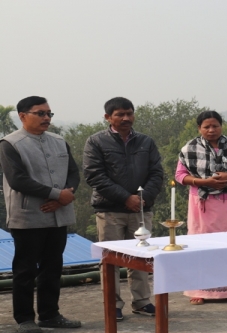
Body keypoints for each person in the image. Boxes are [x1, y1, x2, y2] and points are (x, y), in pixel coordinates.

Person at [0, 96, 81, 332]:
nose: (46, 118)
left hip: (59, 215)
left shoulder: (59, 141)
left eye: (49, 114)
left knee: (53, 267)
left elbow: (73, 173)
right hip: (28, 216)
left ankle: (50, 315)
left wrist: (67, 193)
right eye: (41, 113)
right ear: (23, 116)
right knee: (25, 269)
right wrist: (58, 195)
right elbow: (18, 180)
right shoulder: (10, 144)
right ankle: (24, 319)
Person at [82, 97, 163, 321]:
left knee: (141, 258)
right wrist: (126, 198)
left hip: (141, 210)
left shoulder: (146, 142)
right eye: (120, 114)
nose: (126, 118)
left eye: (129, 113)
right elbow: (94, 175)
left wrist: (141, 198)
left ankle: (142, 301)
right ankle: (113, 303)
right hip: (110, 210)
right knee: (111, 260)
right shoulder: (96, 141)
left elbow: (157, 173)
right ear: (108, 117)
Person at [176, 110, 227, 305]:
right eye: (206, 127)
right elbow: (180, 175)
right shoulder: (189, 148)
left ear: (221, 126)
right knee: (201, 246)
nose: (211, 130)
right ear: (199, 128)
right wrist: (203, 181)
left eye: (215, 126)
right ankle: (199, 290)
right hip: (201, 204)